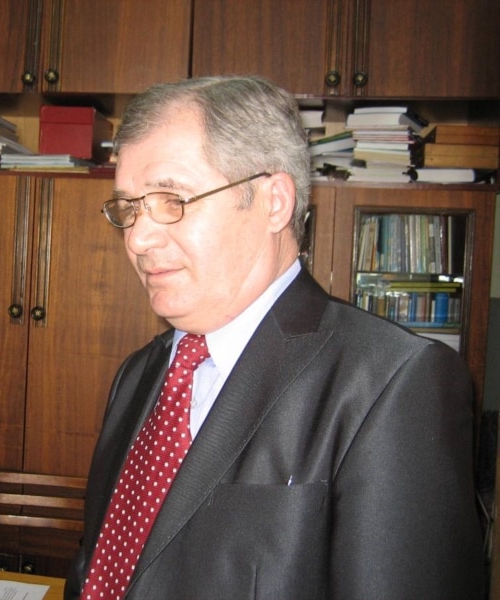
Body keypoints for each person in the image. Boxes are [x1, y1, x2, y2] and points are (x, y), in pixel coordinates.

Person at [64, 76, 485, 599]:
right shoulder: (138, 374)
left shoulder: (394, 383)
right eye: (128, 208)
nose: (139, 238)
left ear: (274, 202)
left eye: (172, 199)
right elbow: (97, 566)